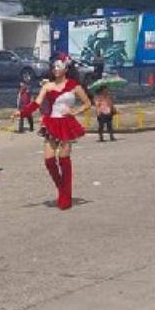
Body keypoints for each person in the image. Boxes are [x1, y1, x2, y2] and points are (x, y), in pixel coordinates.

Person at [15, 54, 91, 209]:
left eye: (59, 66)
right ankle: (62, 190)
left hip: (66, 124)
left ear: (66, 67)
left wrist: (74, 112)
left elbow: (88, 103)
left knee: (64, 160)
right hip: (51, 124)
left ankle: (65, 197)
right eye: (54, 66)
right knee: (49, 160)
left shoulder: (74, 85)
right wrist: (22, 113)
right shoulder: (47, 86)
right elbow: (36, 104)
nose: (56, 69)